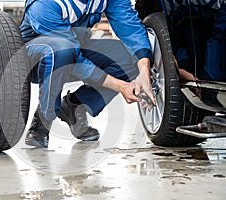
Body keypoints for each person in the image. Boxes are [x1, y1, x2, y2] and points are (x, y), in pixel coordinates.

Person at [19, 0, 156, 148]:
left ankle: (74, 106)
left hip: (74, 47)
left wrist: (144, 70)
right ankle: (42, 121)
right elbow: (70, 56)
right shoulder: (44, 4)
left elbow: (130, 28)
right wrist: (120, 86)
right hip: (36, 58)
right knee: (62, 49)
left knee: (129, 58)